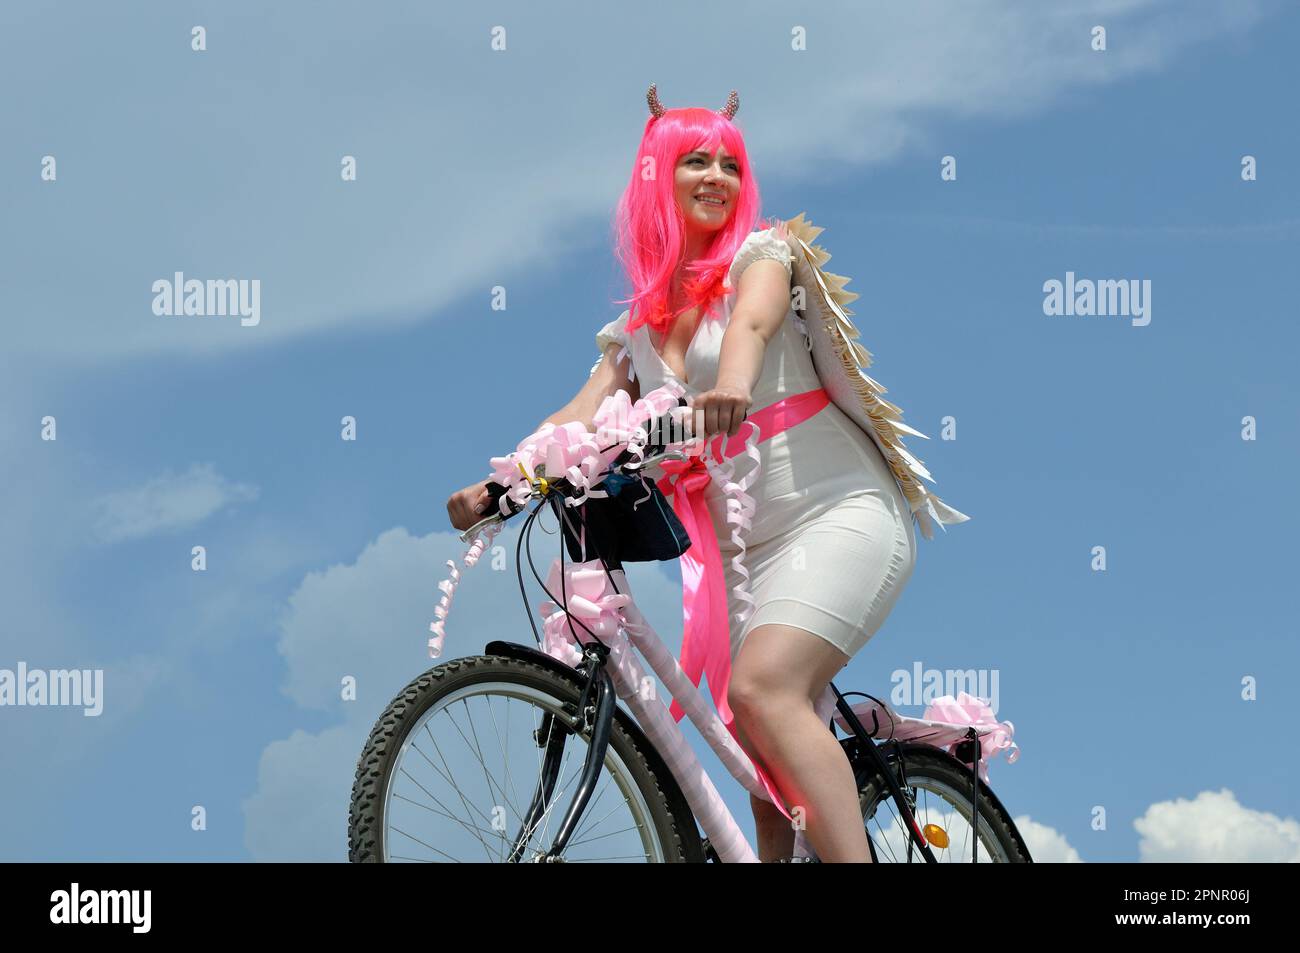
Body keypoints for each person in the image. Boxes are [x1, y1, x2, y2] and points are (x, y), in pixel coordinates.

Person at [448, 85, 966, 862]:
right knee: (762, 771)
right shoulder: (638, 327)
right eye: (695, 161)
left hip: (841, 514)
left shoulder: (763, 253)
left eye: (730, 162)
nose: (717, 176)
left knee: (762, 691)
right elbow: (579, 413)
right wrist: (502, 482)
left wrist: (729, 385)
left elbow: (753, 324)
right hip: (743, 560)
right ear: (658, 175)